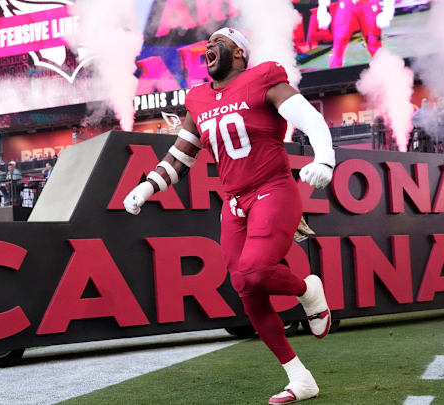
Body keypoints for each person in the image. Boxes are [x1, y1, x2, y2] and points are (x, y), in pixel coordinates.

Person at [123, 28, 334, 404]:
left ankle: (307, 290)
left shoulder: (263, 77)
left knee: (254, 271)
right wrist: (147, 186)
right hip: (235, 202)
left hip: (273, 189)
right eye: (206, 45)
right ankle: (300, 378)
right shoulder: (199, 98)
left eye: (215, 42)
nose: (207, 48)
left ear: (238, 52)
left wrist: (324, 157)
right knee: (245, 286)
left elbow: (306, 116)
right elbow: (180, 157)